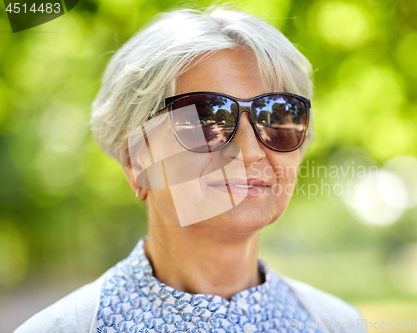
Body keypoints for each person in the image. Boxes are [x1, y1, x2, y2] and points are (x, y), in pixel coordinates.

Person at [15, 6, 365, 333]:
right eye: (205, 118)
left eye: (276, 117)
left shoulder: (338, 324)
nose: (250, 151)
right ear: (136, 159)